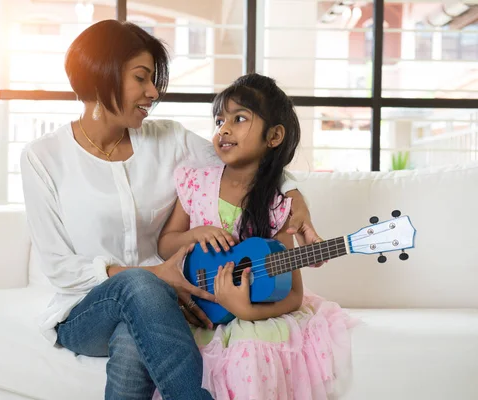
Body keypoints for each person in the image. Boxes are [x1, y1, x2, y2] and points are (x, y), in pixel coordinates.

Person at [20, 20, 322, 400]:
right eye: (141, 78)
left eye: (154, 79)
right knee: (139, 283)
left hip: (165, 306)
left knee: (133, 338)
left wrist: (295, 196)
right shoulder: (43, 158)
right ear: (102, 77)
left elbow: (247, 160)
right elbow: (61, 268)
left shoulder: (170, 139)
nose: (154, 91)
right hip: (85, 312)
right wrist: (156, 275)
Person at [158, 73, 354, 400]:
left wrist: (247, 311)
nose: (224, 128)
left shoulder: (277, 205)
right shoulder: (196, 183)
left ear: (274, 136)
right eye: (220, 120)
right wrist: (193, 234)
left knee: (249, 355)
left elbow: (292, 294)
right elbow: (165, 244)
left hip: (250, 316)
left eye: (239, 118)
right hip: (192, 305)